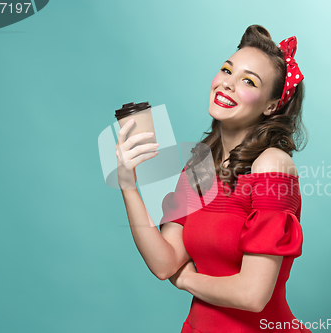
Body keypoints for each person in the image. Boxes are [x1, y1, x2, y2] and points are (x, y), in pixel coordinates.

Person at [116, 24, 312, 333]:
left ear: (272, 106)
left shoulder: (273, 165)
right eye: (226, 70)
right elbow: (164, 263)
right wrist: (128, 184)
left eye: (248, 81)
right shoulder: (200, 166)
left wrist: (186, 280)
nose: (228, 85)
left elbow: (252, 295)